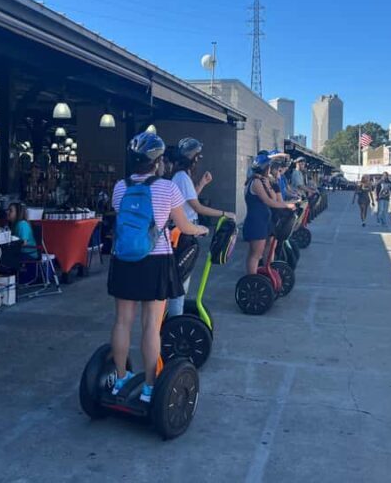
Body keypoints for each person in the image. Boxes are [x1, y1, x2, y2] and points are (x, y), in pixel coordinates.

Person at [107, 132, 208, 403]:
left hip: (124, 259)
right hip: (156, 260)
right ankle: (151, 387)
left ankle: (120, 379)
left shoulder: (120, 187)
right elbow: (184, 226)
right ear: (157, 161)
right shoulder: (167, 188)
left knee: (122, 322)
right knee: (151, 326)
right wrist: (201, 228)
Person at [167, 137, 235, 318]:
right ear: (194, 158)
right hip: (182, 234)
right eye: (198, 156)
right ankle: (174, 321)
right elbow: (196, 207)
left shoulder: (183, 176)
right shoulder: (181, 176)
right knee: (180, 283)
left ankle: (174, 318)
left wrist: (202, 184)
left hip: (184, 232)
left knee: (182, 281)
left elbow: (190, 202)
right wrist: (224, 213)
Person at [243, 154, 296, 275]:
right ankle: (252, 279)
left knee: (260, 251)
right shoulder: (255, 182)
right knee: (255, 254)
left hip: (261, 221)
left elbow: (272, 198)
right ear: (265, 168)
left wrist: (268, 186)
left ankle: (263, 275)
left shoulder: (260, 181)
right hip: (256, 222)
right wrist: (287, 205)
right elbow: (269, 202)